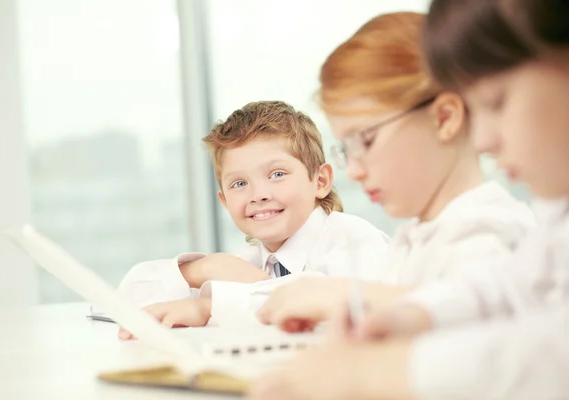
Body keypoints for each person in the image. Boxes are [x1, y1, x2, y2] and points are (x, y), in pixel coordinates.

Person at [247, 1, 569, 399]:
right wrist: (412, 316)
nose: (484, 138)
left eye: (496, 101)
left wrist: (369, 370)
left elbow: (545, 351)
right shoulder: (553, 223)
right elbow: (514, 288)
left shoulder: (491, 227)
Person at [257, 11, 533, 332]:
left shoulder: (492, 231)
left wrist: (348, 296)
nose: (355, 171)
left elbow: (478, 313)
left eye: (366, 140)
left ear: (444, 118)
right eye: (347, 149)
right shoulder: (415, 237)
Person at [116, 100, 390, 338]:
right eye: (239, 184)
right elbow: (127, 300)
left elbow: (329, 296)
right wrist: (203, 269)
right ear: (224, 201)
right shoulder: (246, 262)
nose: (258, 195)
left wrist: (207, 306)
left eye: (277, 174)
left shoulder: (352, 237)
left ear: (320, 180)